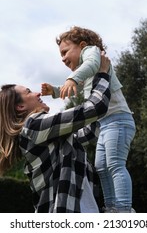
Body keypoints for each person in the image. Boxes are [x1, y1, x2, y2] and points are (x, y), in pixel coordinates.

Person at [0, 53, 111, 213]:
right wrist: (102, 73)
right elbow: (96, 108)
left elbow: (89, 132)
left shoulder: (53, 136)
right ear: (20, 107)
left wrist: (89, 83)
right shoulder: (33, 126)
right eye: (29, 91)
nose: (37, 93)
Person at [42, 26, 136, 213]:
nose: (62, 59)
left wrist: (72, 79)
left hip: (118, 120)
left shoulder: (92, 54)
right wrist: (54, 90)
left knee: (115, 164)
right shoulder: (86, 72)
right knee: (101, 167)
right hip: (105, 124)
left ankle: (124, 209)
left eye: (65, 52)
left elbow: (90, 65)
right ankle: (111, 208)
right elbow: (71, 88)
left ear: (82, 45)